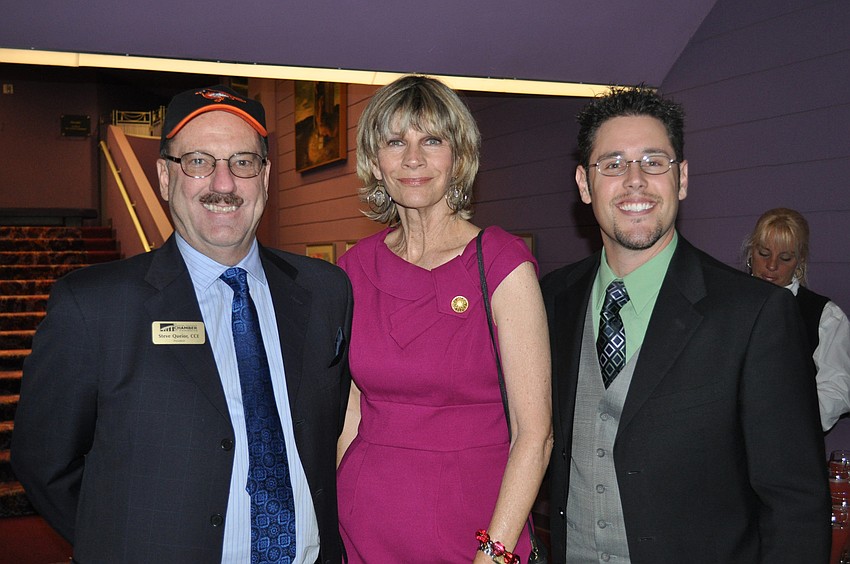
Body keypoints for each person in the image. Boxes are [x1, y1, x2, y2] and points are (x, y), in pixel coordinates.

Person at [11, 85, 353, 564]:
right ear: (164, 177)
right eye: (197, 161)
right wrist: (125, 542)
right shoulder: (93, 306)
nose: (224, 183)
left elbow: (328, 429)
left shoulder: (325, 292)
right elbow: (43, 461)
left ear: (266, 176)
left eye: (242, 162)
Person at [540, 86, 830, 563]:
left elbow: (794, 503)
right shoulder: (552, 298)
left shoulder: (755, 314)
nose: (634, 180)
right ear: (584, 184)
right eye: (612, 164)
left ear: (682, 179)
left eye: (654, 161)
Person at [335, 75, 553, 563]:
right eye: (396, 141)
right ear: (375, 160)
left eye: (431, 140)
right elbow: (349, 415)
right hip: (363, 528)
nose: (413, 159)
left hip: (476, 532)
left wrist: (494, 555)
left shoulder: (502, 265)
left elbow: (534, 435)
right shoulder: (351, 270)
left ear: (458, 157)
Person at [743, 207, 850, 432]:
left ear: (799, 261)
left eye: (785, 257)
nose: (772, 266)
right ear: (751, 251)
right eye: (764, 253)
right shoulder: (726, 302)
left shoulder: (825, 317)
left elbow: (837, 389)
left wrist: (787, 424)